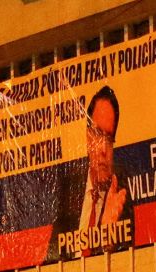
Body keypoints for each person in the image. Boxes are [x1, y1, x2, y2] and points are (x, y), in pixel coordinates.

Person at [49, 85, 134, 261]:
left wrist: (107, 239)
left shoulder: (121, 198)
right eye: (97, 134)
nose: (103, 148)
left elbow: (127, 268)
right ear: (87, 137)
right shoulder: (70, 188)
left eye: (109, 138)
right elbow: (51, 257)